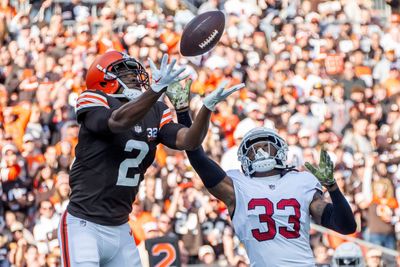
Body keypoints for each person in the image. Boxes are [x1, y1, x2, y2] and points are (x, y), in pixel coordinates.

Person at [58, 51, 244, 267]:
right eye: (126, 73)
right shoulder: (94, 99)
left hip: (120, 226)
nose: (136, 78)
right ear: (104, 80)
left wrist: (205, 109)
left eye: (136, 73)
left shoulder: (156, 110)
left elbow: (189, 141)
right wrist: (155, 90)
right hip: (84, 224)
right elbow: (117, 122)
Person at [166, 82, 356, 266]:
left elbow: (346, 227)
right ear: (243, 158)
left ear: (280, 151)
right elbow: (198, 158)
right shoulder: (236, 185)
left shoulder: (301, 181)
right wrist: (186, 112)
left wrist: (333, 188)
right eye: (254, 150)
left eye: (267, 147)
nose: (261, 153)